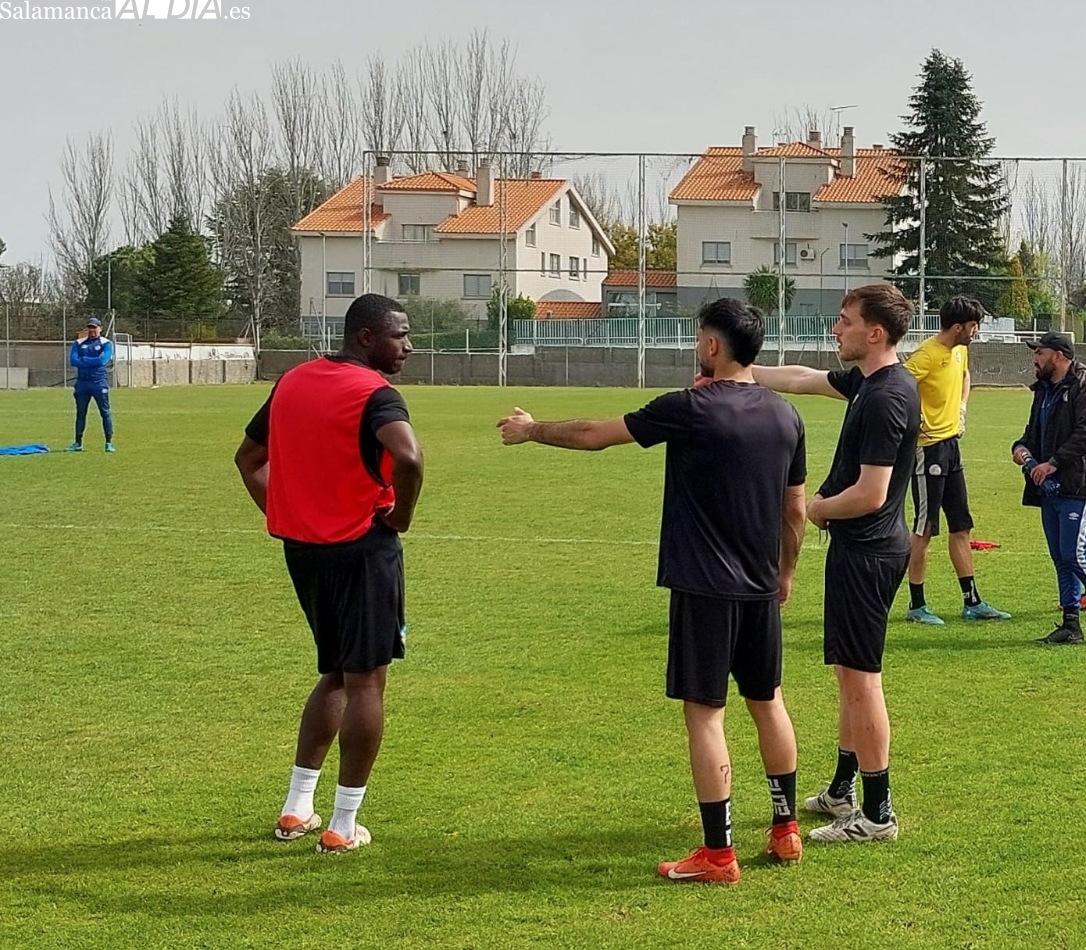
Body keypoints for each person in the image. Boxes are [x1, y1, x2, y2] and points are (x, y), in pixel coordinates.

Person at [497, 299, 809, 884]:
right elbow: (794, 509)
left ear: (713, 346)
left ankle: (718, 855)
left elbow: (595, 434)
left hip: (704, 587)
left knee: (705, 713)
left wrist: (531, 429)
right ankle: (785, 830)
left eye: (698, 338)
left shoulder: (690, 408)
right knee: (768, 701)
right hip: (760, 588)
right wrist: (785, 573)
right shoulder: (786, 416)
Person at [234, 293, 424, 855]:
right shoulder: (375, 394)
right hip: (363, 549)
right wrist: (402, 516)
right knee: (367, 680)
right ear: (366, 337)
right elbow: (409, 458)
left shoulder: (291, 380)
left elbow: (247, 458)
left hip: (305, 551)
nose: (408, 347)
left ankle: (297, 809)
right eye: (400, 335)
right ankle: (344, 823)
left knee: (337, 673)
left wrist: (283, 512)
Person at [749, 283, 918, 845]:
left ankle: (877, 814)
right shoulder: (869, 382)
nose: (835, 329)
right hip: (863, 550)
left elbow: (871, 493)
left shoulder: (888, 396)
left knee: (862, 683)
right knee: (850, 678)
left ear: (875, 333)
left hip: (868, 551)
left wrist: (817, 508)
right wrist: (743, 373)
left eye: (845, 321)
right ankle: (844, 791)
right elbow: (803, 378)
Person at [901, 294, 1010, 626]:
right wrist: (913, 417)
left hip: (951, 448)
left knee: (961, 525)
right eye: (975, 325)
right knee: (924, 529)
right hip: (927, 450)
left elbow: (964, 378)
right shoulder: (927, 355)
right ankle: (917, 605)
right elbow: (897, 386)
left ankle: (972, 601)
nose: (977, 331)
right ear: (959, 326)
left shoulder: (961, 351)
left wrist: (962, 409)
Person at [1012, 332, 1086, 646]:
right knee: (1061, 557)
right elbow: (1032, 432)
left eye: (1040, 352)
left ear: (1059, 355)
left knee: (1075, 552)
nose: (1035, 358)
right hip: (1051, 489)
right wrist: (1021, 449)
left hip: (1080, 483)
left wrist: (1053, 463)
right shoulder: (1044, 390)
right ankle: (1070, 624)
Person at [67, 317, 115, 452]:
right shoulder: (78, 343)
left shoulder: (106, 343)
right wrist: (91, 360)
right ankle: (78, 443)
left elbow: (102, 361)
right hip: (82, 383)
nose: (92, 330)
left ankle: (108, 442)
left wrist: (84, 359)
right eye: (90, 327)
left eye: (94, 327)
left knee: (104, 412)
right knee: (80, 413)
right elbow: (73, 361)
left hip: (99, 383)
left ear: (100, 328)